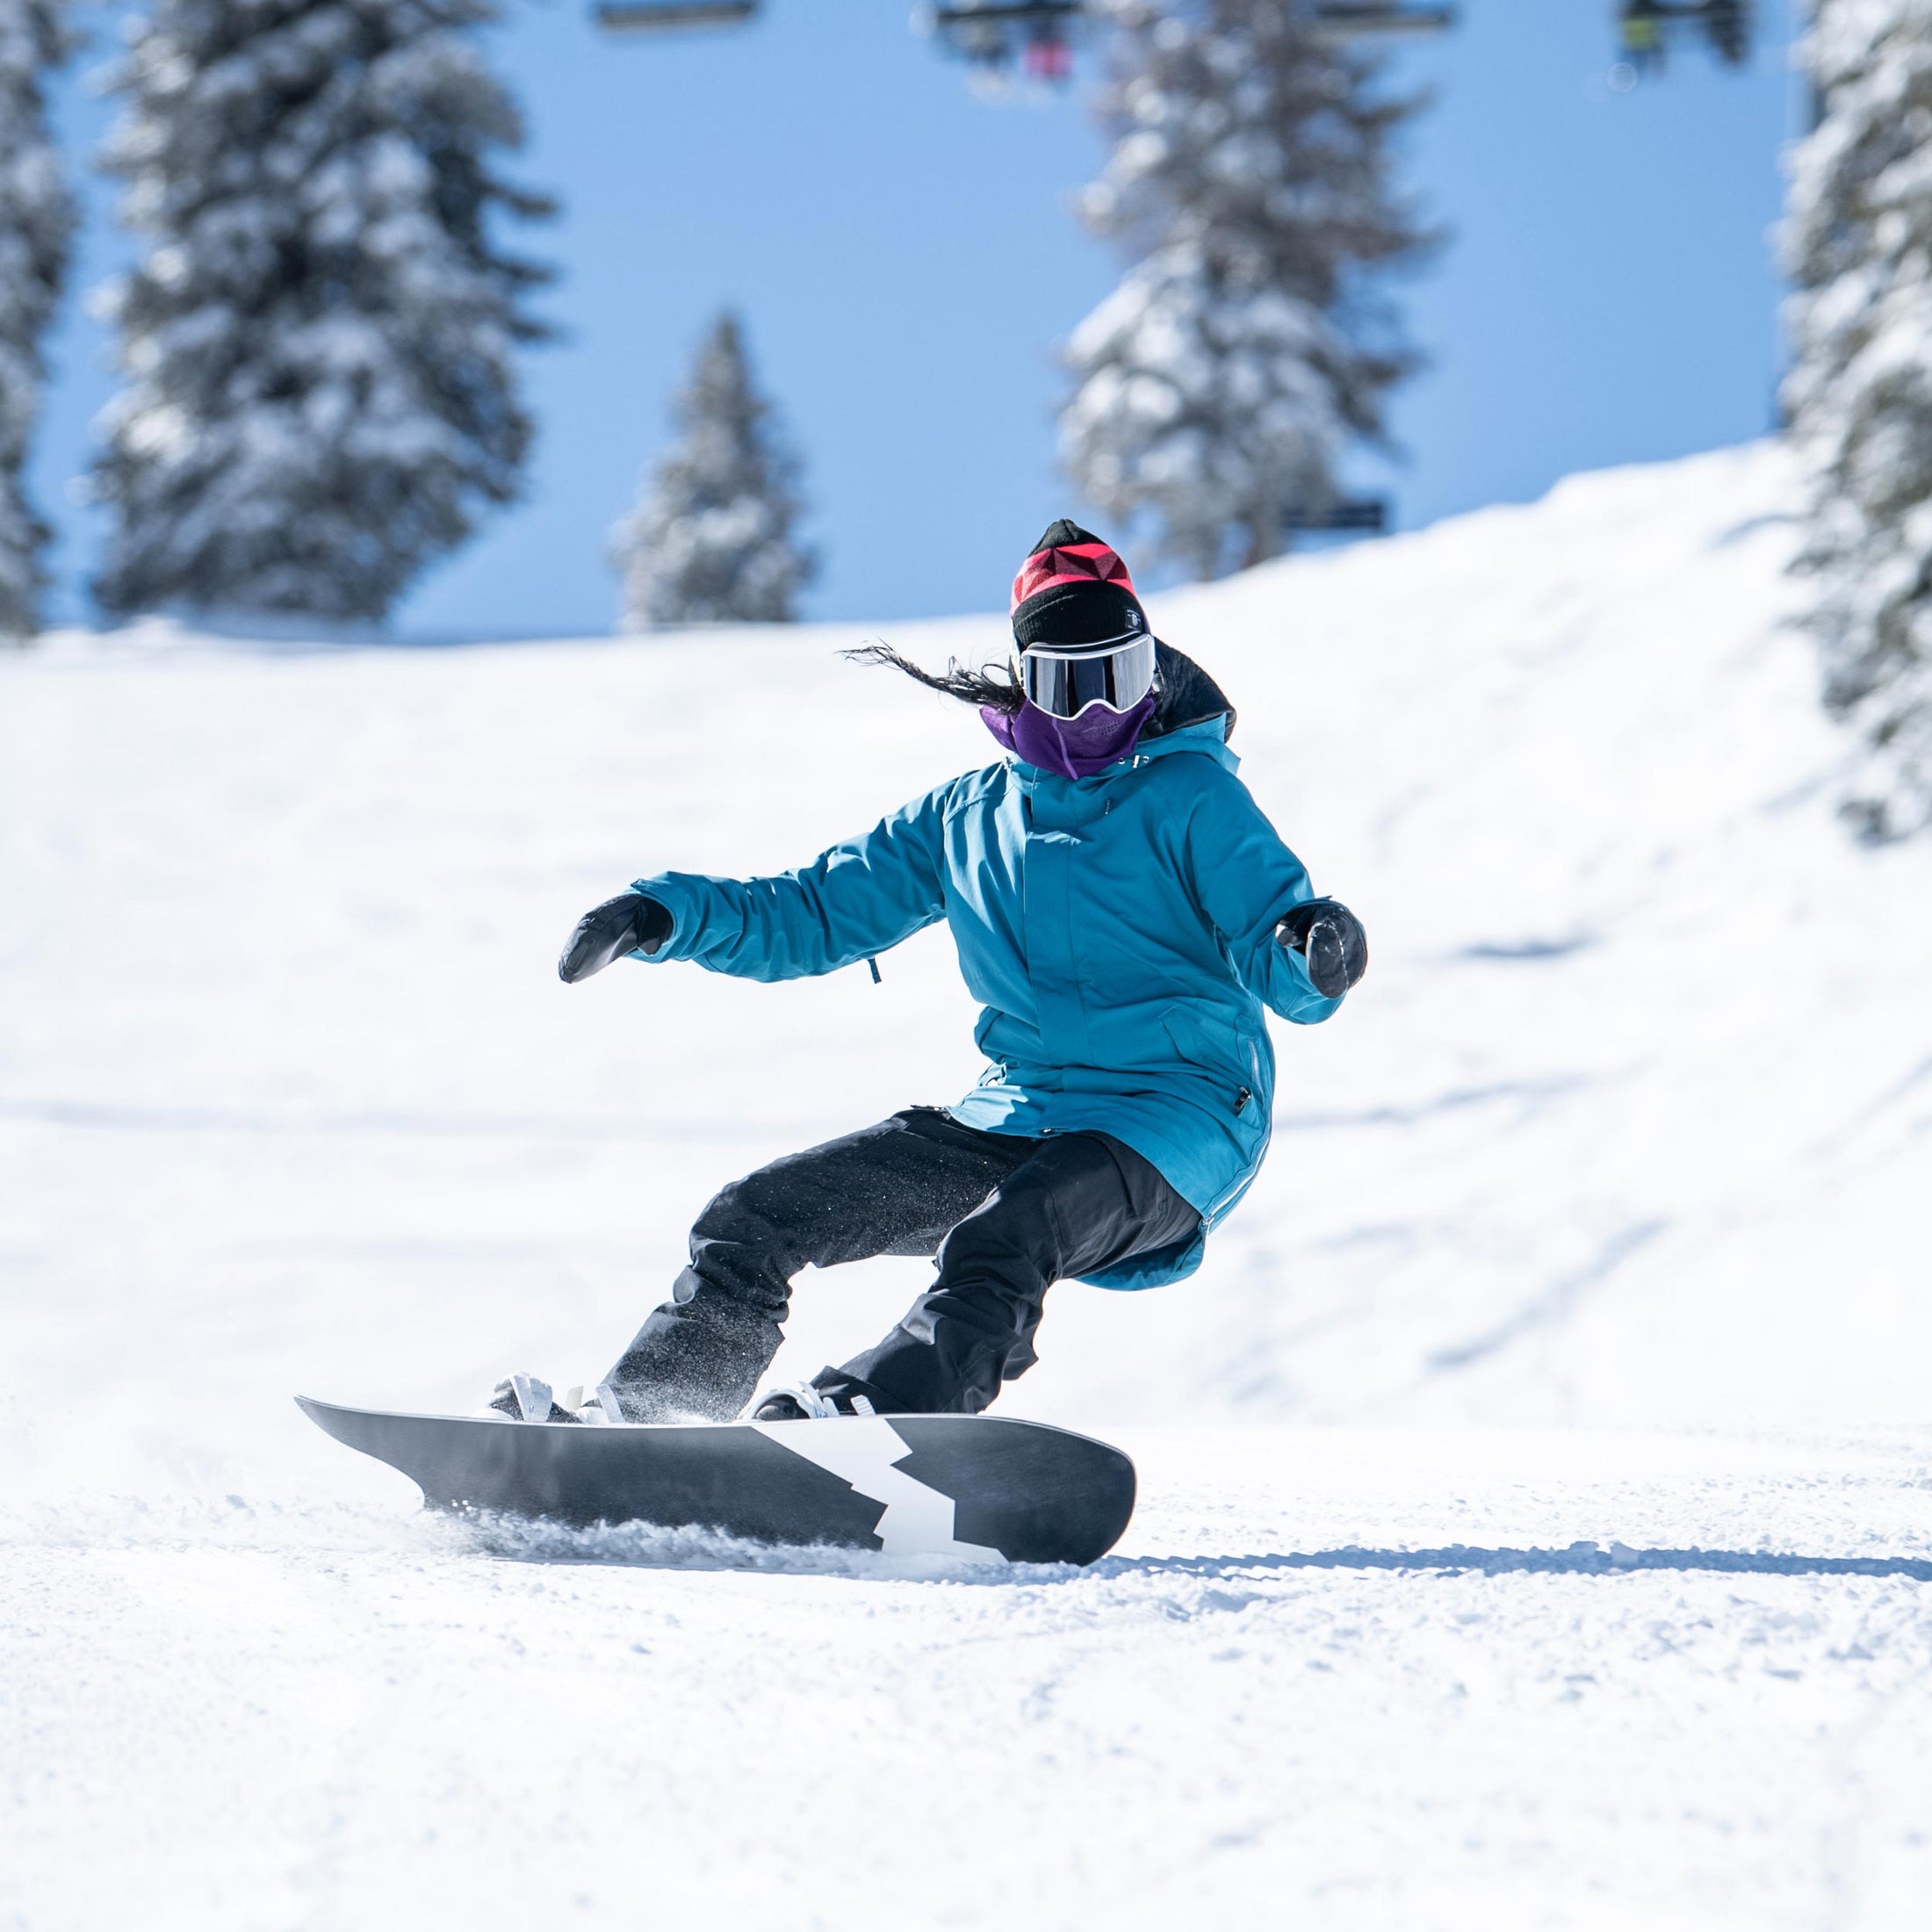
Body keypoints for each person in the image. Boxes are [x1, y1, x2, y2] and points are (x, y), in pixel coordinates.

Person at [494, 521, 1366, 1426]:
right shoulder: (967, 816)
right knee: (753, 1214)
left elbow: (1278, 943)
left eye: (1121, 678)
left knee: (1007, 1229)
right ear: (1026, 685)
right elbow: (817, 910)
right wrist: (666, 914)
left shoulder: (1194, 798)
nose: (1097, 712)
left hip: (1174, 1121)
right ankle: (651, 1417)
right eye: (1070, 687)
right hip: (1015, 1114)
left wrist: (1315, 948)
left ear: (1155, 674)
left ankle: (878, 1417)